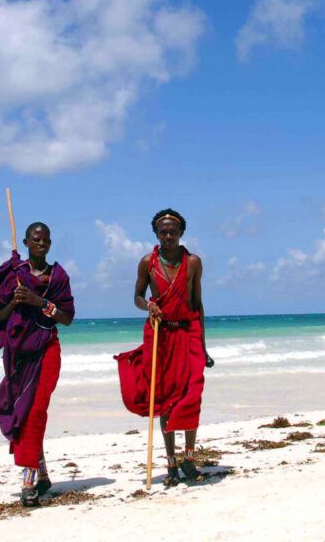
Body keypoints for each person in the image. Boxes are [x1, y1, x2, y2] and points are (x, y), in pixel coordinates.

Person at [0, 222, 75, 506]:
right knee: (24, 410)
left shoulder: (58, 276)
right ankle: (42, 474)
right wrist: (15, 302)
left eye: (45, 240)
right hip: (19, 355)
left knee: (36, 410)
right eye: (35, 239)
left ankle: (28, 481)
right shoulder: (14, 274)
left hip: (47, 349)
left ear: (50, 244)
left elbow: (67, 317)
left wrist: (38, 301)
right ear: (27, 243)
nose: (41, 244)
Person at [116, 208, 213, 486]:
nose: (168, 236)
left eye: (173, 231)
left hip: (187, 334)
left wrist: (203, 347)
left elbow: (197, 304)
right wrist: (149, 305)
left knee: (192, 395)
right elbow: (137, 296)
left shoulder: (193, 262)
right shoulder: (147, 262)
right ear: (156, 234)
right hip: (160, 335)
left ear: (181, 232)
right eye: (163, 232)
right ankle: (171, 463)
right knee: (165, 400)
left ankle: (190, 459)